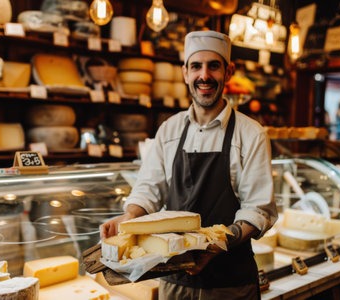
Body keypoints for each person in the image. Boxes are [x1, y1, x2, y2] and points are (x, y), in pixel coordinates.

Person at [100, 30, 277, 299]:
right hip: (174, 282)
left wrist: (216, 244)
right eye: (196, 66)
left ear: (228, 72)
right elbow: (149, 189)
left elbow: (258, 210)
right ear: (185, 73)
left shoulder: (251, 134)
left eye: (213, 66)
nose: (204, 76)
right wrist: (130, 217)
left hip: (231, 286)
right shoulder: (169, 130)